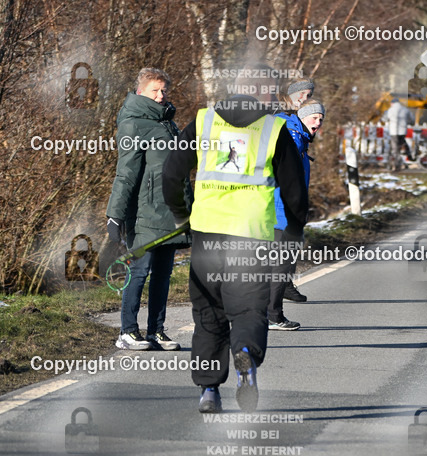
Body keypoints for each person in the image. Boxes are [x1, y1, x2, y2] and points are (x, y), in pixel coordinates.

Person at [163, 65, 308, 413]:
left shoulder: (203, 122)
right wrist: (293, 234)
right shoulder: (274, 129)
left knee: (209, 314)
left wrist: (182, 216)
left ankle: (209, 391)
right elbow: (295, 193)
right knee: (248, 310)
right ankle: (245, 356)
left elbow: (171, 173)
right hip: (252, 236)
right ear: (264, 93)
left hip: (207, 233)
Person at [106, 67, 192, 351]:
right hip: (145, 214)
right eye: (155, 90)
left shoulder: (168, 123)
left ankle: (156, 330)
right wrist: (114, 215)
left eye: (164, 90)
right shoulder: (132, 124)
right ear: (140, 92)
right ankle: (128, 332)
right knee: (139, 272)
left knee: (164, 275)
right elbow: (126, 174)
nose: (160, 95)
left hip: (170, 213)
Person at [268, 99, 324, 330]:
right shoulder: (291, 136)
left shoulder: (297, 136)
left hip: (281, 210)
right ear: (302, 116)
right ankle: (273, 316)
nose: (318, 122)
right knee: (280, 266)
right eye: (314, 117)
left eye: (321, 118)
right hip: (281, 211)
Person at [386, 97, 412, 171]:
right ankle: (407, 156)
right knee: (401, 145)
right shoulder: (405, 109)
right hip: (402, 131)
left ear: (392, 103)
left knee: (395, 149)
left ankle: (396, 165)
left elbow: (385, 118)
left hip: (393, 132)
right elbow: (411, 119)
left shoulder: (390, 110)